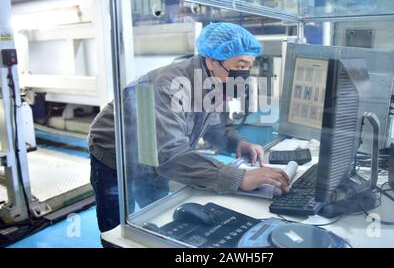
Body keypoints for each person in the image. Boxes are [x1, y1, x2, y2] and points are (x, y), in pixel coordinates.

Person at [88, 22, 290, 233]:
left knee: (157, 214)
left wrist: (238, 142)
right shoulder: (166, 87)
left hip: (152, 157)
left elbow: (216, 127)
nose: (245, 73)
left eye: (249, 66)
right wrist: (239, 178)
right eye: (239, 66)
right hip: (114, 157)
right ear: (212, 61)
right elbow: (170, 156)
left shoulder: (214, 81)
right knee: (118, 229)